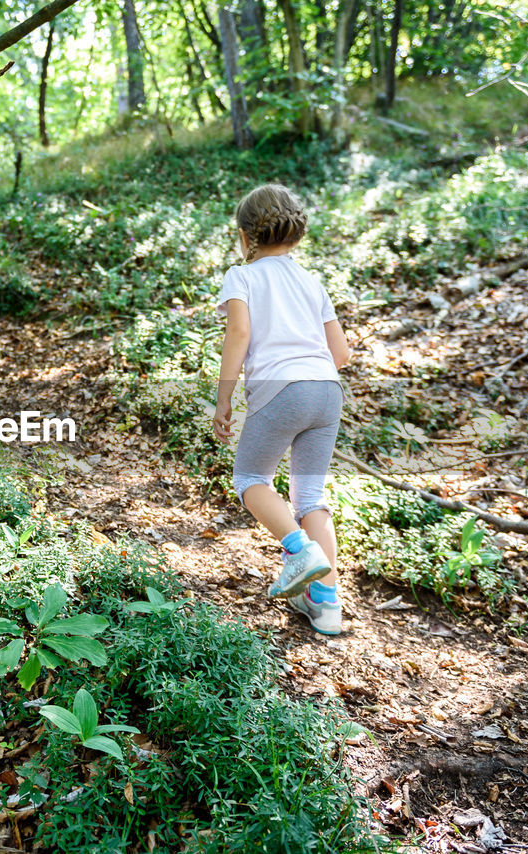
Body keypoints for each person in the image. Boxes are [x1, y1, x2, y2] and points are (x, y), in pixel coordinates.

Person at [212, 183, 352, 635]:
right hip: (327, 390)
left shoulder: (243, 275)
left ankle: (298, 549)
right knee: (311, 497)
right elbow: (342, 353)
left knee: (250, 479)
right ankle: (326, 606)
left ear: (245, 235)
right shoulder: (312, 281)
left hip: (281, 388)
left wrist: (225, 395)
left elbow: (239, 334)